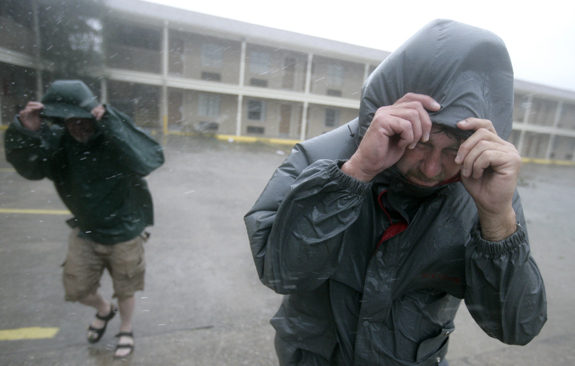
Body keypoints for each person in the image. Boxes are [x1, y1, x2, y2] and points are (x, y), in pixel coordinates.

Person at [244, 19, 547, 366]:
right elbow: (280, 272)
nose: (432, 169)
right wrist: (354, 174)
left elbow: (517, 326)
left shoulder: (487, 192)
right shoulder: (319, 159)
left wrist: (497, 220)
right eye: (421, 142)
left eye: (453, 151)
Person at [4, 80, 165, 358]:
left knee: (126, 288)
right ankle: (104, 309)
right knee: (77, 288)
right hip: (86, 231)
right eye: (68, 121)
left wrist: (113, 122)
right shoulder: (58, 143)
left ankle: (125, 329)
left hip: (125, 231)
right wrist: (25, 131)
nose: (77, 126)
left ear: (93, 115)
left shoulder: (113, 138)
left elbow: (150, 159)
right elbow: (30, 167)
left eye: (82, 119)